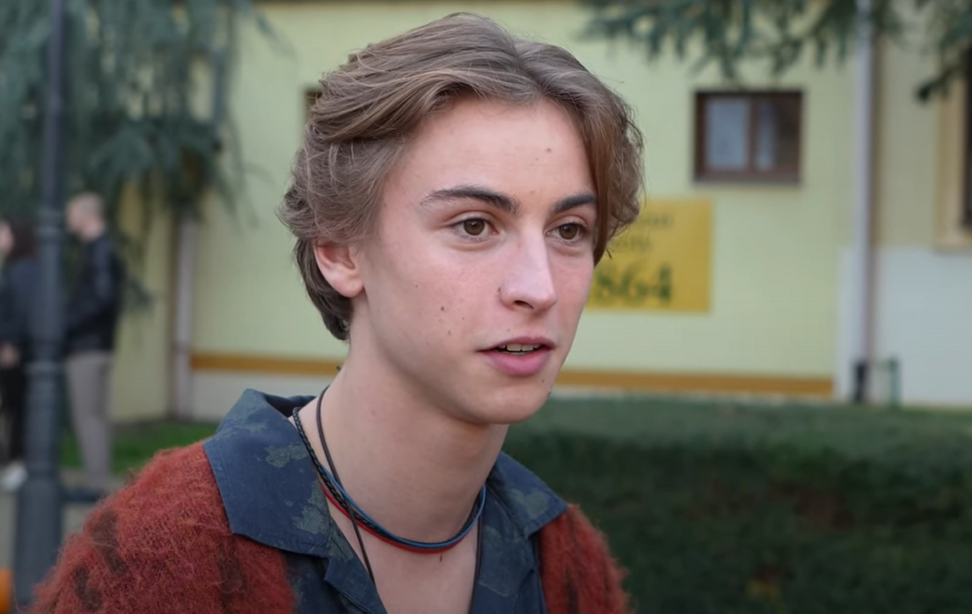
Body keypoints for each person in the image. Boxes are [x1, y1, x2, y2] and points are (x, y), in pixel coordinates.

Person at [29, 13, 644, 613]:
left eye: (569, 229)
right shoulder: (159, 563)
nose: (539, 288)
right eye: (474, 225)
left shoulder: (566, 566)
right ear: (340, 251)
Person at [62, 192, 124, 496]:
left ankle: (94, 483)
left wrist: (67, 323)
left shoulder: (98, 251)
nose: (67, 219)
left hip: (87, 346)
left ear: (87, 215)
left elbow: (101, 298)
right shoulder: (103, 249)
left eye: (71, 213)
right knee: (95, 417)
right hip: (98, 344)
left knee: (87, 416)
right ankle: (97, 480)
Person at [0, 216, 38, 492]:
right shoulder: (18, 267)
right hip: (14, 348)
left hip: (14, 351)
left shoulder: (22, 269)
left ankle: (17, 464)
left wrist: (11, 343)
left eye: (2, 231)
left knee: (16, 408)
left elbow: (22, 311)